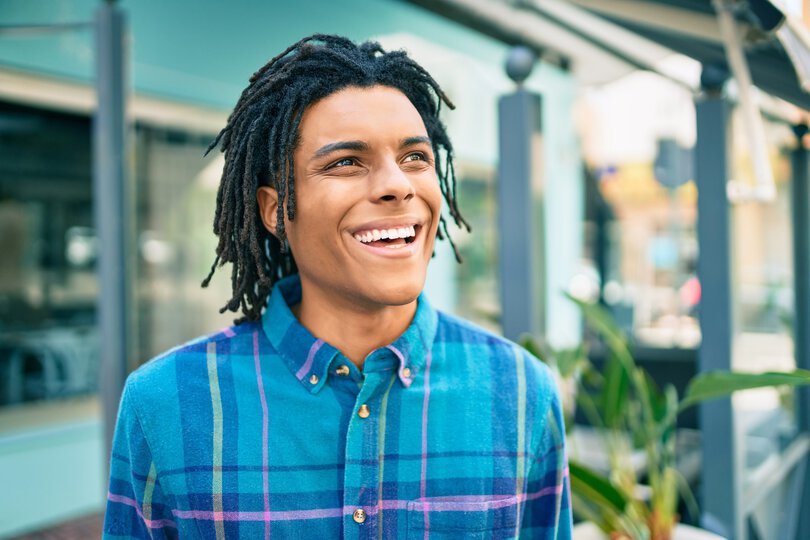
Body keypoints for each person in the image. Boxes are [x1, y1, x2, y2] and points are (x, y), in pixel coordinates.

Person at [103, 34, 572, 539]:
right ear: (274, 209)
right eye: (346, 161)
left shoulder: (521, 392)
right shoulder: (165, 404)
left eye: (416, 157)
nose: (398, 184)